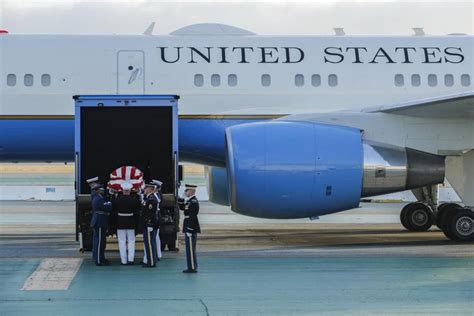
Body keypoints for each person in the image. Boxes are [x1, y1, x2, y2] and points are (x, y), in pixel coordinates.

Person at [113, 182, 140, 265]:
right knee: (131, 241)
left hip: (120, 222)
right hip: (131, 222)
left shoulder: (117, 200)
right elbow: (137, 212)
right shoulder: (134, 200)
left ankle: (123, 261)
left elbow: (113, 210)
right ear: (130, 190)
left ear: (122, 190)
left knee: (121, 241)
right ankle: (131, 259)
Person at [179, 184, 200, 273]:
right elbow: (182, 208)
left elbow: (193, 216)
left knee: (190, 249)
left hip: (190, 226)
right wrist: (181, 199)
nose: (185, 192)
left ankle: (191, 267)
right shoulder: (189, 201)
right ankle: (192, 266)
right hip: (188, 224)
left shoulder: (194, 202)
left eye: (186, 191)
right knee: (189, 248)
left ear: (191, 191)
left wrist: (190, 229)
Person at [90, 183, 112, 266]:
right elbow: (108, 207)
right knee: (99, 242)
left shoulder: (99, 197)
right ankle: (98, 260)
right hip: (99, 221)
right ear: (97, 190)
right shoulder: (98, 199)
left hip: (100, 221)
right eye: (100, 189)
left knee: (101, 241)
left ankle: (101, 258)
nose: (102, 190)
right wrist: (109, 203)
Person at [140, 181, 159, 268]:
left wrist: (149, 224)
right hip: (148, 223)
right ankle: (152, 260)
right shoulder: (148, 198)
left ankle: (151, 262)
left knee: (149, 243)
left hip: (149, 224)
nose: (144, 190)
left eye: (145, 188)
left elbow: (150, 213)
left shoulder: (151, 199)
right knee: (151, 243)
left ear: (150, 189)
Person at [152, 179, 163, 261]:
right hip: (157, 216)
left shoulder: (156, 195)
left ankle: (157, 254)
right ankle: (157, 254)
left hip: (156, 217)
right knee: (156, 237)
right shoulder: (157, 195)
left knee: (155, 237)